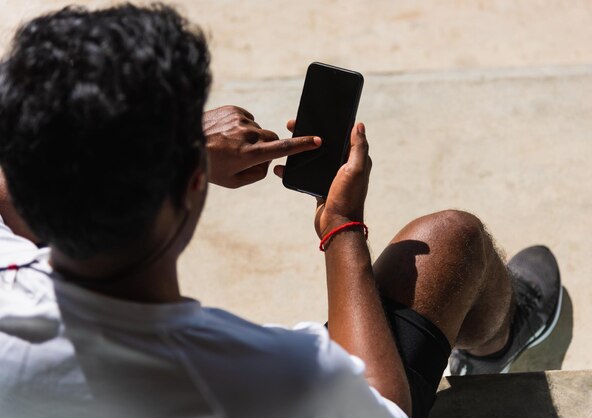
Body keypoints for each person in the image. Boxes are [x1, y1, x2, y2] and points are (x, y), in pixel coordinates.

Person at [0, 4, 562, 418]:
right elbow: (378, 405)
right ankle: (499, 342)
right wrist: (341, 227)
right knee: (449, 241)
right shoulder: (250, 373)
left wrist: (178, 152)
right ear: (195, 184)